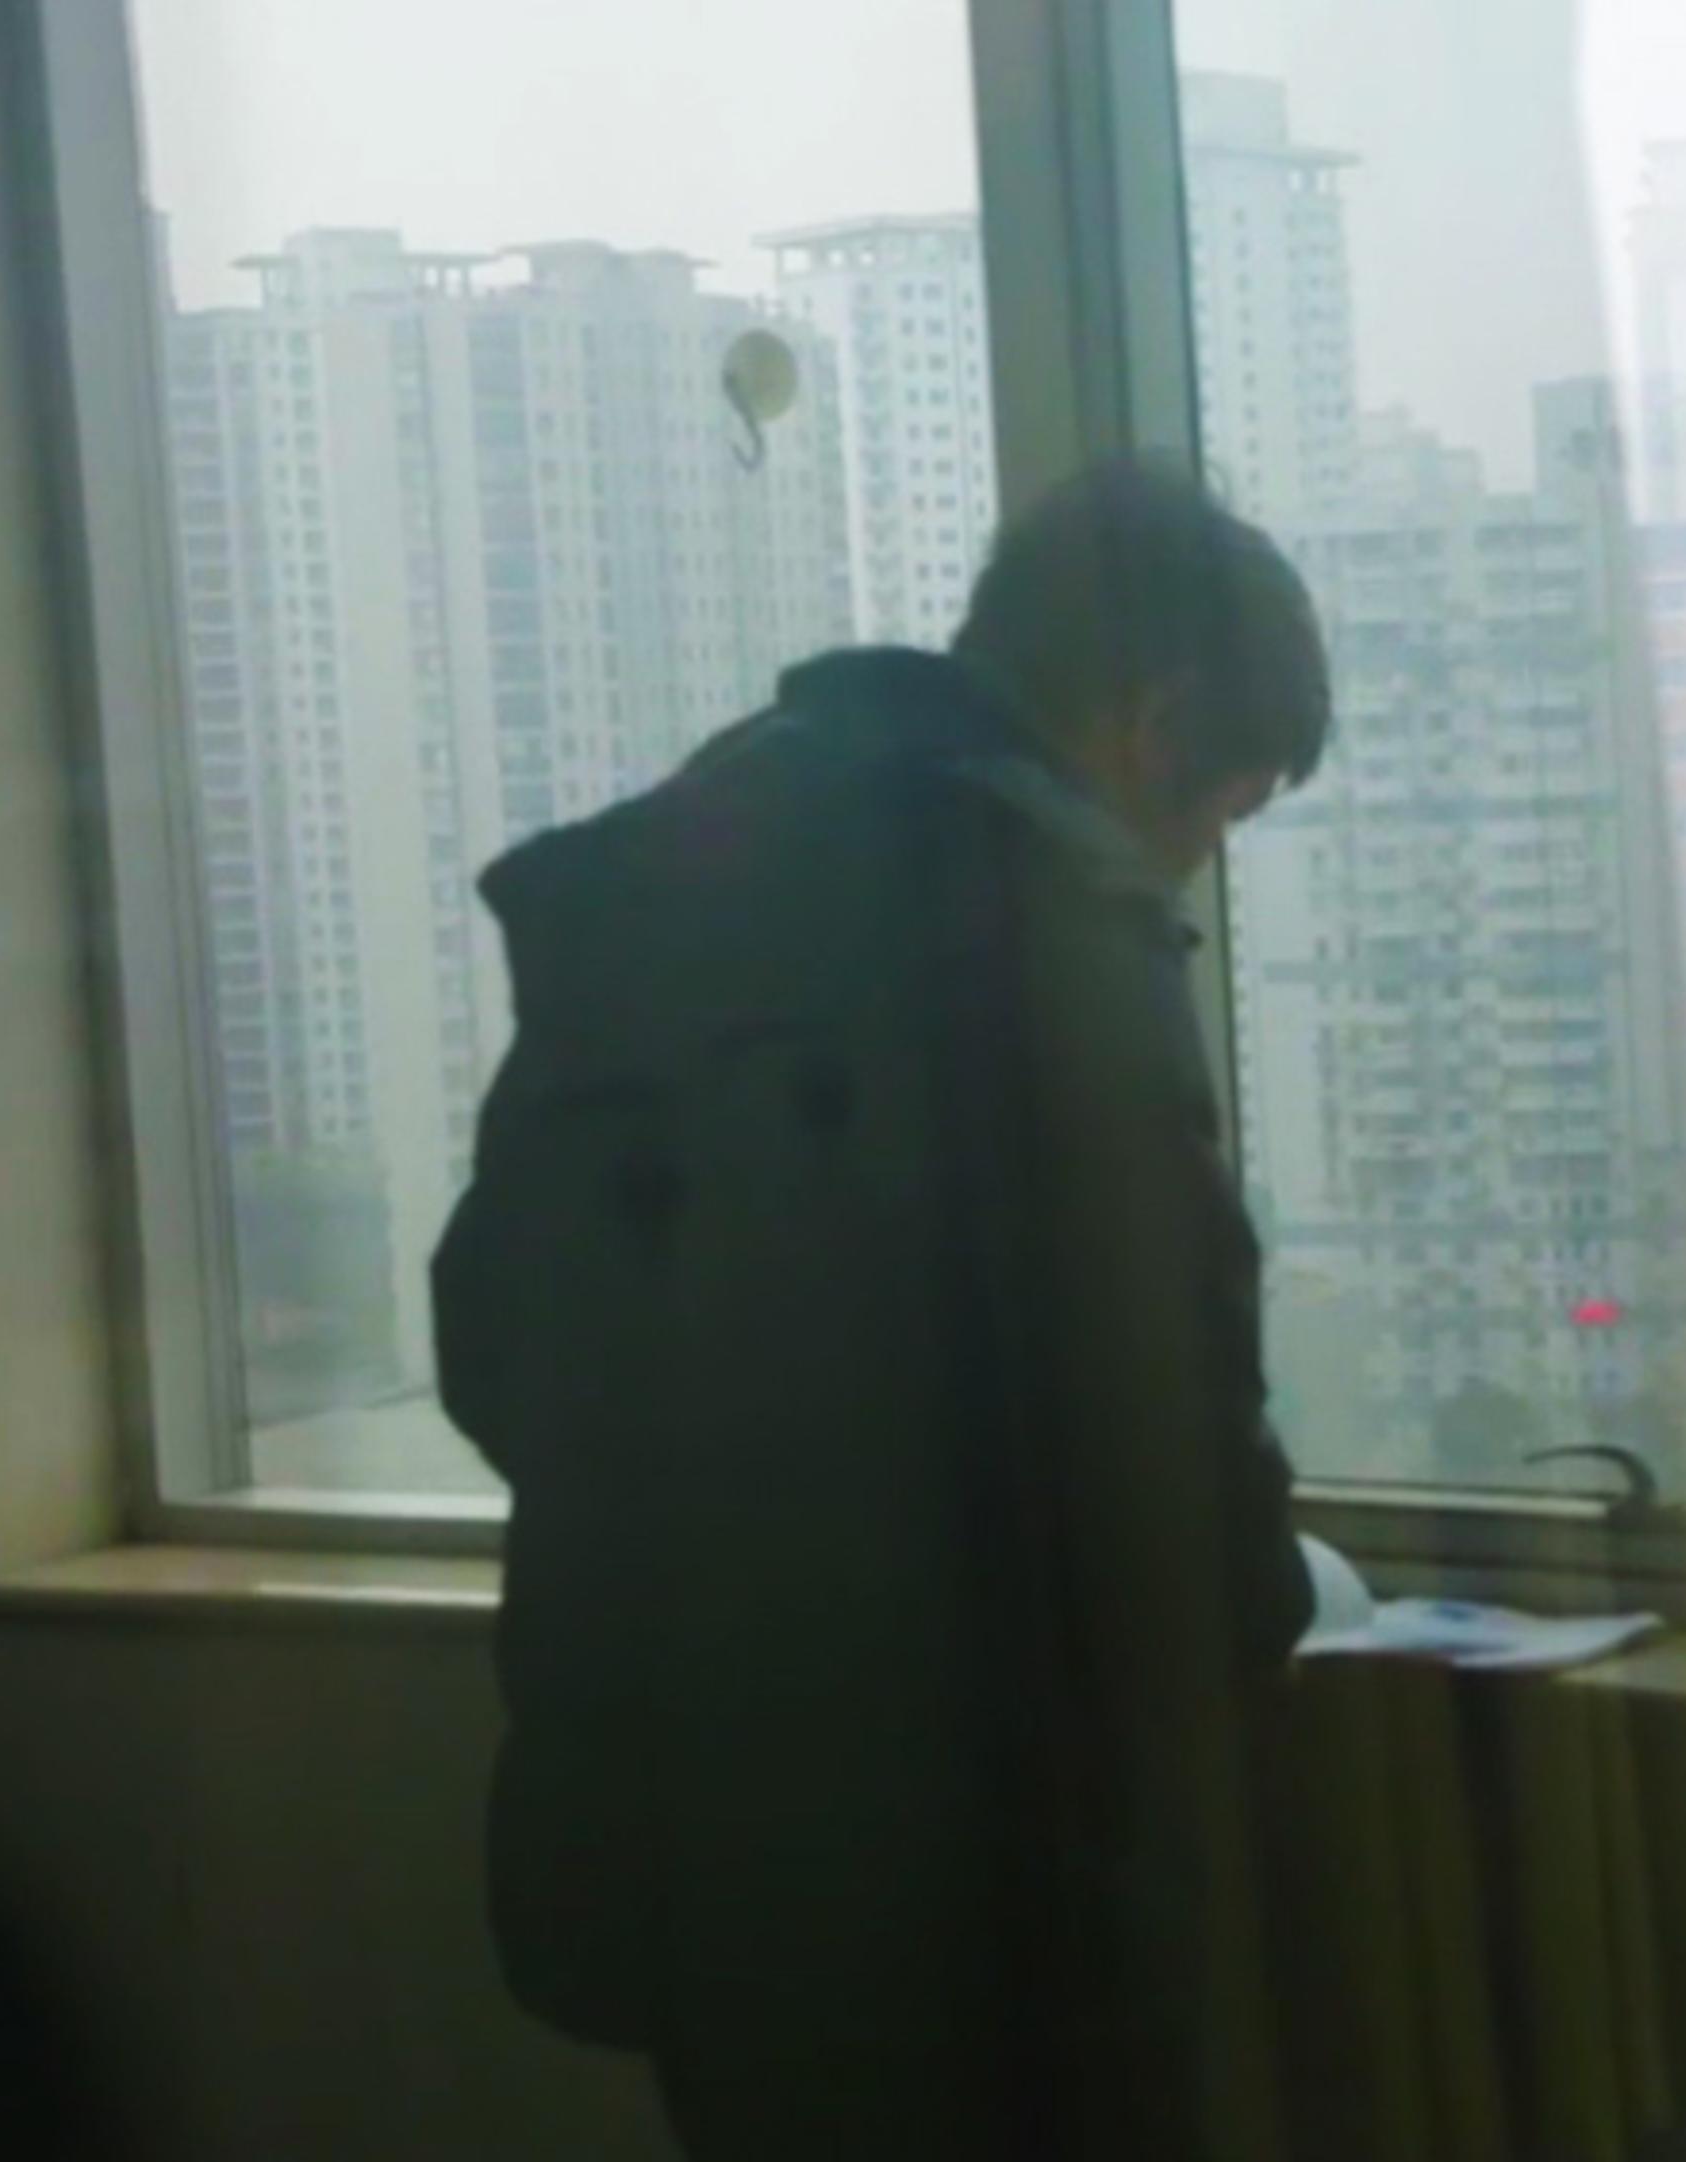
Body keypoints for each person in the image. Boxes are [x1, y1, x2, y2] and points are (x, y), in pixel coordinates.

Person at [429, 462, 1330, 2157]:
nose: (1199, 873)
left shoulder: (660, 888)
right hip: (988, 1884)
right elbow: (1168, 1436)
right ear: (1146, 720)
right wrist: (1266, 1624)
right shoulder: (1056, 930)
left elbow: (497, 1346)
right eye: (1223, 809)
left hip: (688, 1841)